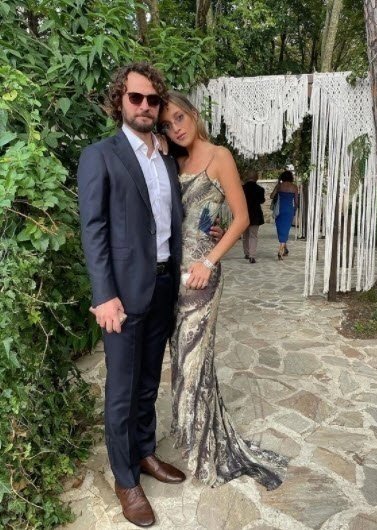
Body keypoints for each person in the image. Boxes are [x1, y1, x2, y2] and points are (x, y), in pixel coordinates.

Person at [77, 62, 223, 528]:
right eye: (135, 97)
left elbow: (180, 215)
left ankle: (144, 453)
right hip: (121, 294)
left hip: (164, 287)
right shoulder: (100, 156)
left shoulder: (164, 157)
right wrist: (104, 295)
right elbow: (94, 229)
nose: (144, 105)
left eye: (152, 99)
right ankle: (125, 479)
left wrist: (209, 232)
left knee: (146, 383)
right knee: (121, 390)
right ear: (119, 101)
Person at [159, 92, 288, 491]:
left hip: (202, 275)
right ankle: (193, 433)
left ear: (193, 114)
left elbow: (242, 217)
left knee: (195, 359)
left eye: (179, 118)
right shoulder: (172, 161)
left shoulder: (219, 156)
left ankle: (204, 448)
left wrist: (210, 261)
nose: (175, 128)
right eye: (167, 125)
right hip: (173, 274)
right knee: (181, 358)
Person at [270, 169, 299, 259]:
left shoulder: (279, 186)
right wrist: (294, 210)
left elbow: (271, 196)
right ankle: (282, 249)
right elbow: (296, 202)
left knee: (280, 229)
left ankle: (282, 249)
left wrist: (278, 183)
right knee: (286, 229)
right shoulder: (294, 187)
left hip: (279, 209)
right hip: (289, 210)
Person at [242, 169, 265, 263]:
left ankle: (246, 253)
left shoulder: (242, 188)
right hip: (255, 215)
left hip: (244, 214)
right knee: (253, 236)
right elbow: (262, 200)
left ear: (247, 177)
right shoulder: (260, 189)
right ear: (256, 177)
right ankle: (252, 256)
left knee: (245, 235)